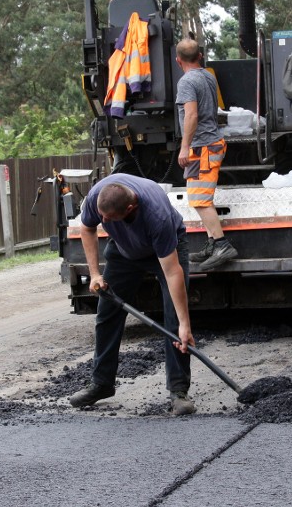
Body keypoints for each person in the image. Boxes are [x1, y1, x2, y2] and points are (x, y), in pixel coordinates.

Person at [68, 173, 196, 415]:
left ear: (130, 208)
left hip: (166, 251)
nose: (102, 219)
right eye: (102, 215)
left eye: (108, 218)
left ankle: (179, 391)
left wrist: (184, 325)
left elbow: (172, 272)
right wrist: (95, 274)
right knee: (107, 313)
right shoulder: (99, 196)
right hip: (124, 249)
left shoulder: (157, 217)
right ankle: (101, 383)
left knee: (173, 319)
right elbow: (87, 228)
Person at [175, 38, 238, 271]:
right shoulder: (207, 76)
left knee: (200, 200)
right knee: (198, 198)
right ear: (200, 56)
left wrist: (184, 147)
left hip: (202, 147)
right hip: (209, 144)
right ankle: (212, 243)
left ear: (178, 60)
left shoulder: (186, 82)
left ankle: (222, 244)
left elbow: (191, 116)